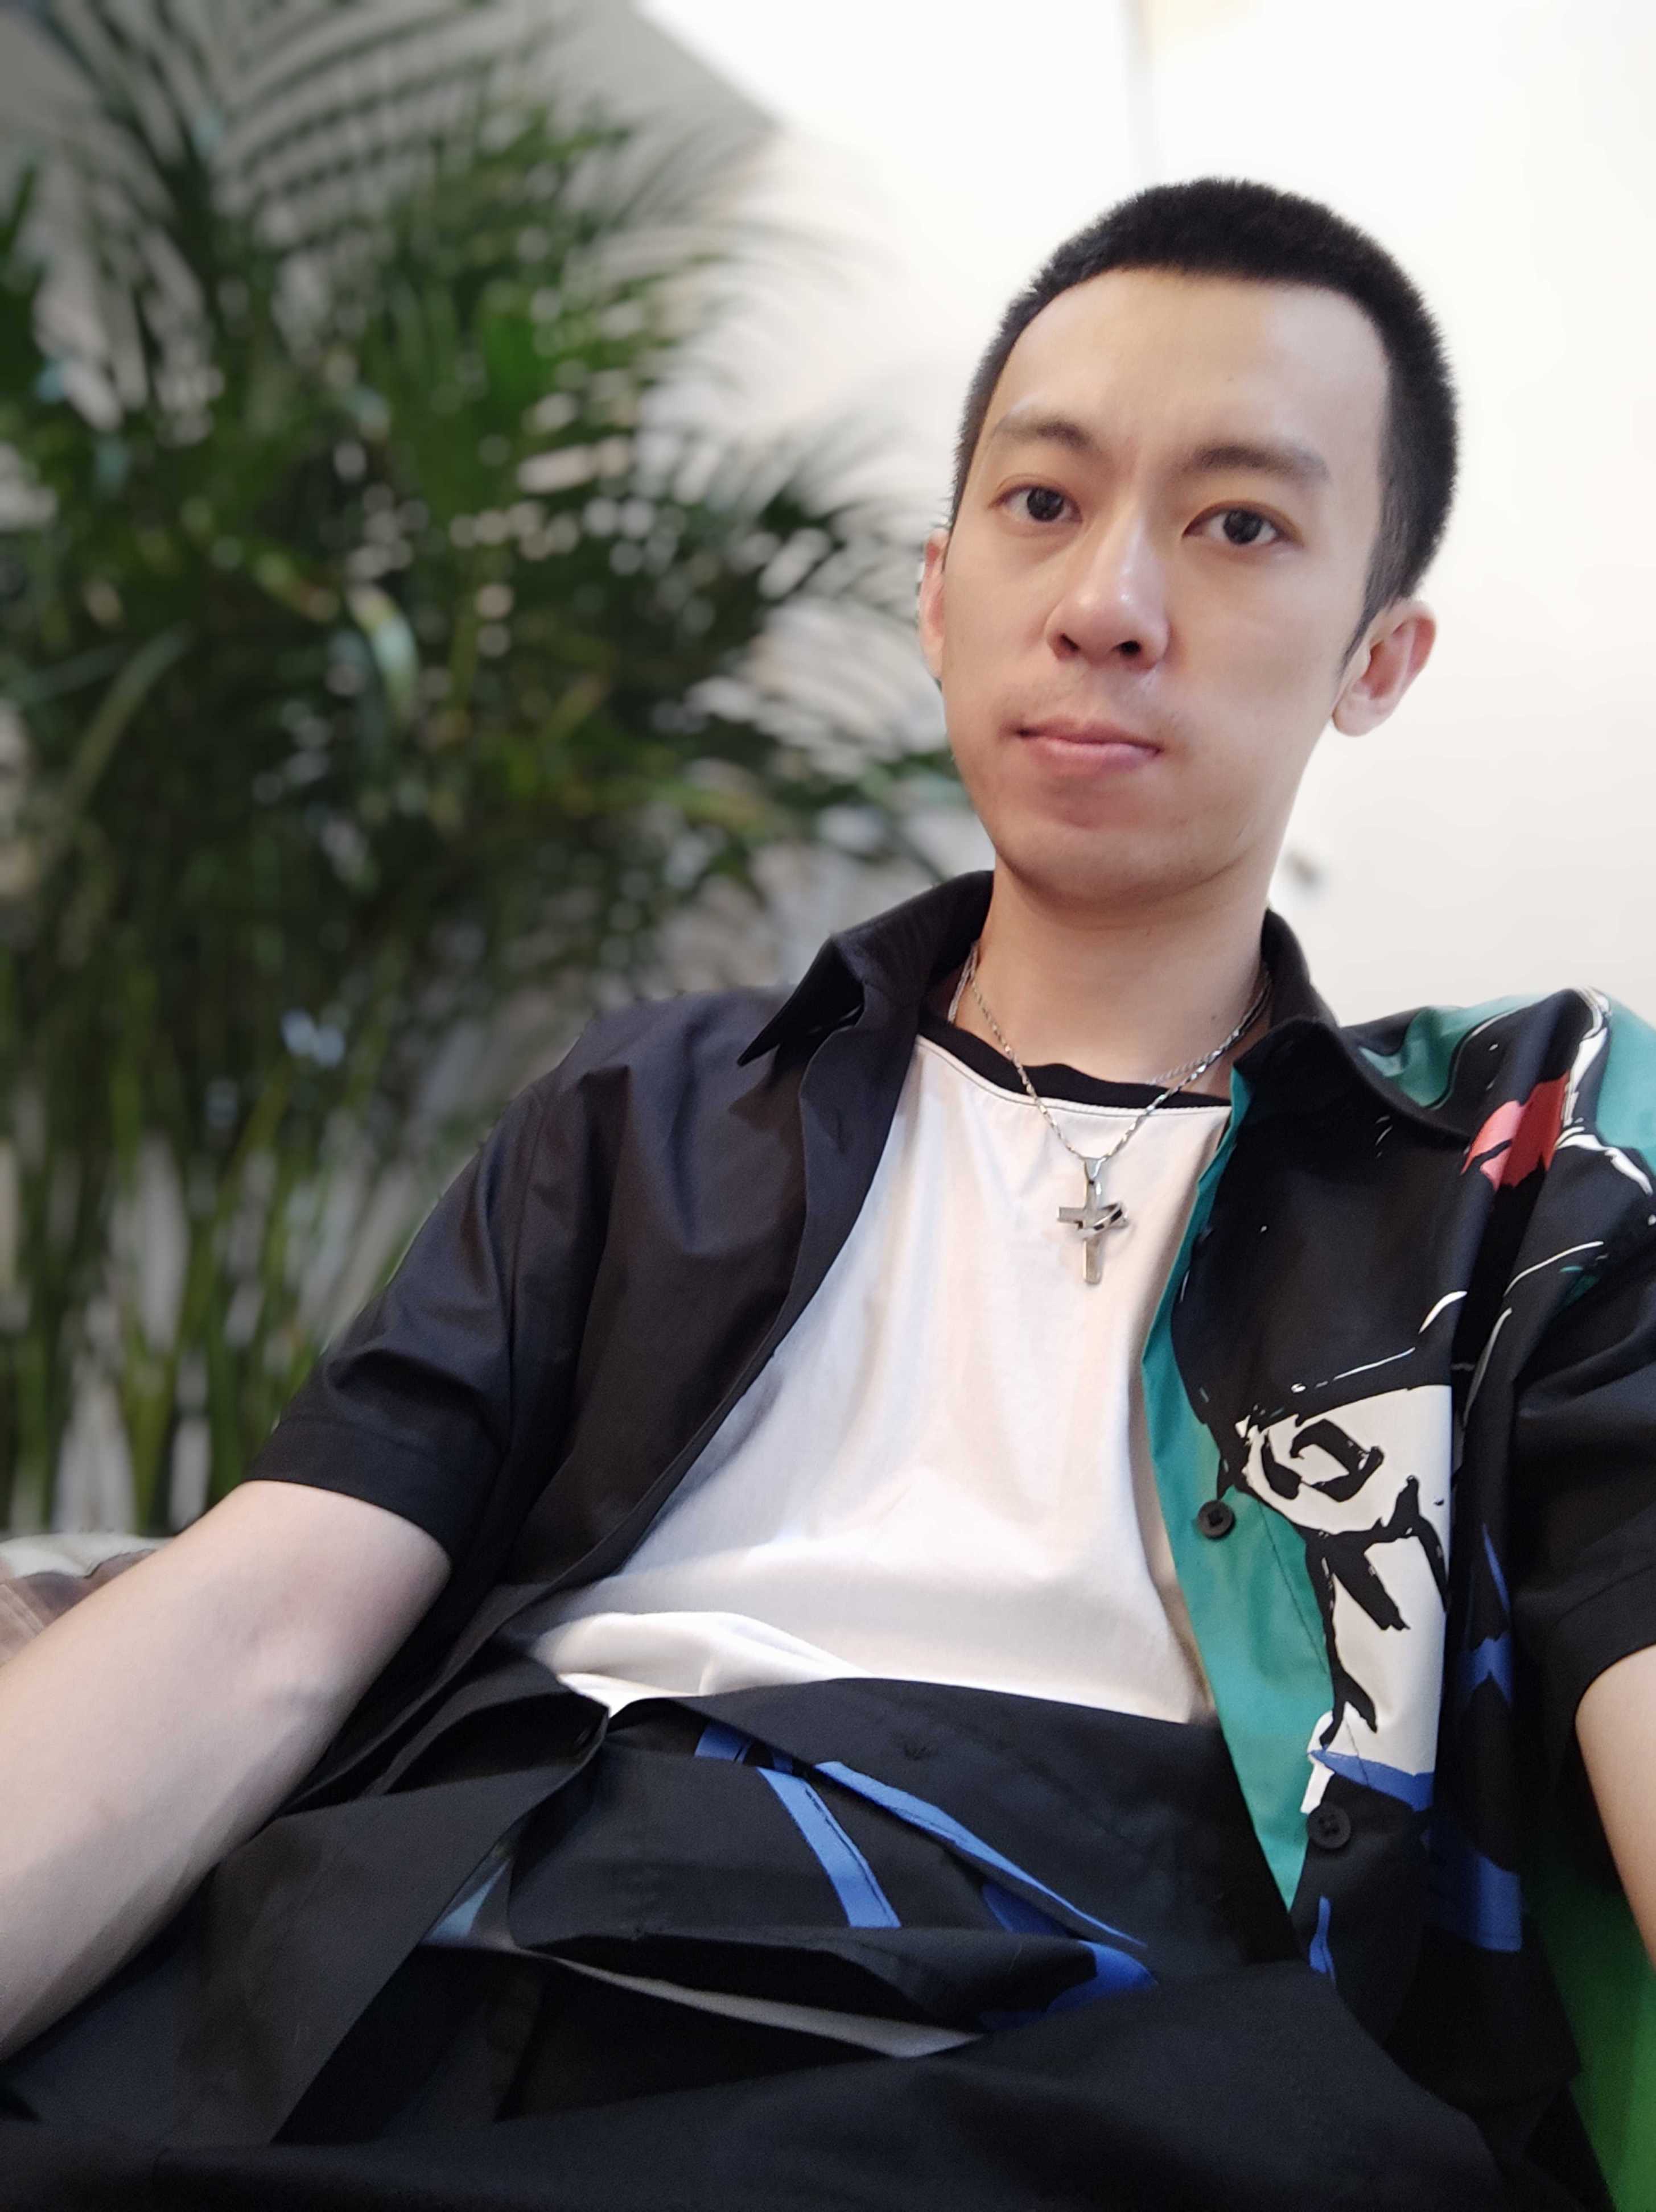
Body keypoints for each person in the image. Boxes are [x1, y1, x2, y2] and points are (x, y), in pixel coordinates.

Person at [2, 175, 1653, 2212]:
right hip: (425, 1977)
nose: (1109, 602)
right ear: (938, 589)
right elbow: (266, 1615)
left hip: (1063, 2060)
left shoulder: (1517, 1166)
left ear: (1378, 656)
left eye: (1242, 525)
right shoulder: (655, 1112)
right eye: (1042, 501)